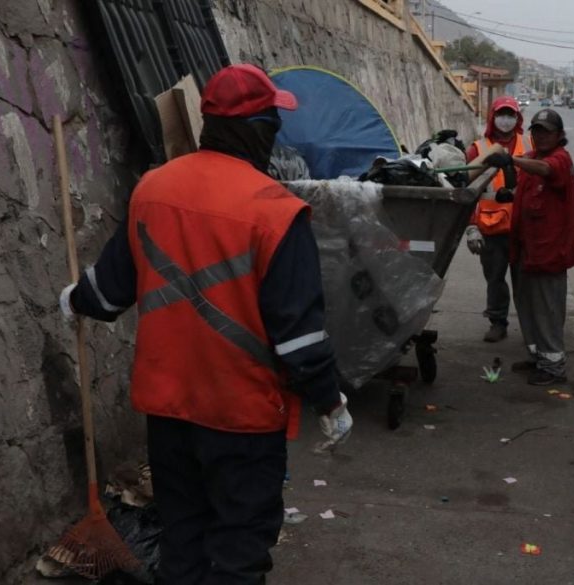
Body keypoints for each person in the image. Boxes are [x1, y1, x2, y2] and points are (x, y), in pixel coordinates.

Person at [58, 63, 352, 584]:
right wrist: (330, 402)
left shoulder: (153, 188)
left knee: (183, 538)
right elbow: (300, 339)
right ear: (260, 130)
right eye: (273, 122)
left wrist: (75, 299)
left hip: (169, 413)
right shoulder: (278, 213)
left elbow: (106, 295)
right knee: (239, 547)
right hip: (242, 416)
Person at [482, 108, 574, 386]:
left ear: (559, 136)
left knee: (546, 308)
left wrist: (510, 158)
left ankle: (554, 368)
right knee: (527, 305)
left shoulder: (559, 159)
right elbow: (529, 182)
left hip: (549, 251)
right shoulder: (533, 157)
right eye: (536, 131)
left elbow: (547, 171)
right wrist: (510, 192)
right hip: (527, 247)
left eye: (547, 131)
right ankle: (538, 358)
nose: (540, 136)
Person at [463, 96, 532, 342]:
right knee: (495, 279)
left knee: (525, 282)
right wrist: (471, 227)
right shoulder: (477, 149)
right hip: (491, 228)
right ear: (493, 117)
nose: (506, 119)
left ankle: (531, 328)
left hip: (524, 228)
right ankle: (497, 322)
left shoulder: (529, 144)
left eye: (510, 114)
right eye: (502, 114)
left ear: (517, 118)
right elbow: (467, 192)